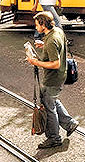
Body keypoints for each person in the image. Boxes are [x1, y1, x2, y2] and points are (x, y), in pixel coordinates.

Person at [28, 12, 78, 149]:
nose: (36, 27)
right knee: (53, 100)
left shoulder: (51, 41)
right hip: (61, 75)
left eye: (37, 24)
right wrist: (42, 44)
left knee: (49, 108)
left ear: (43, 24)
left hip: (53, 78)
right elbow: (57, 46)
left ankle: (54, 138)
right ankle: (69, 123)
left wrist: (36, 62)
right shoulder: (57, 32)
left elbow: (55, 63)